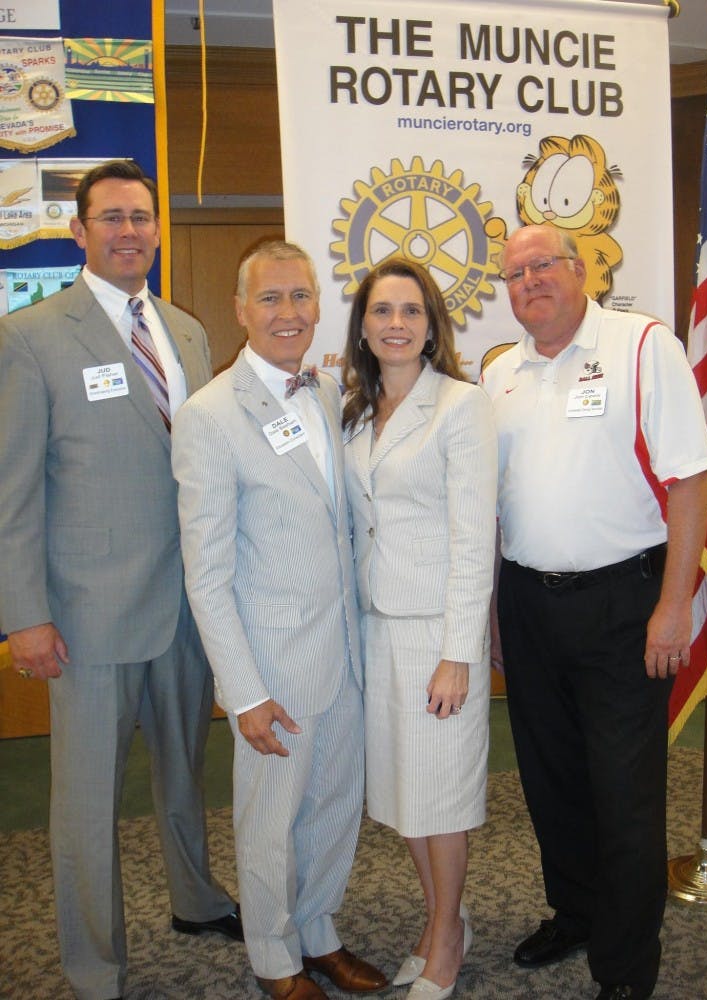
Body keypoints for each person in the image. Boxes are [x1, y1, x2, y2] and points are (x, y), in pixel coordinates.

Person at [0, 159, 241, 1000]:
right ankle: (94, 963)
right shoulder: (31, 336)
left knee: (187, 772)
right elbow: (12, 490)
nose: (130, 231)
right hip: (89, 615)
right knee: (86, 802)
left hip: (187, 604)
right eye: (112, 218)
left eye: (142, 216)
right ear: (79, 230)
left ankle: (196, 899)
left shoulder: (188, 331)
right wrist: (22, 616)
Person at [481, 223, 707, 1000]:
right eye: (515, 275)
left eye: (543, 266)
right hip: (527, 602)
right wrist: (491, 618)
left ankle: (625, 966)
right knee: (552, 785)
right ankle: (575, 913)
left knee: (625, 798)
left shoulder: (644, 346)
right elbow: (492, 506)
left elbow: (689, 482)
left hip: (626, 605)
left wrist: (674, 604)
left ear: (580, 271)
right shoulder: (499, 374)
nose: (529, 283)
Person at [171, 240, 387, 1000]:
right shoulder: (208, 416)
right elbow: (209, 572)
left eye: (300, 297)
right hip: (272, 667)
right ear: (241, 310)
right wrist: (244, 691)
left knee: (332, 808)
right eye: (270, 299)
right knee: (269, 823)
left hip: (344, 656)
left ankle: (319, 932)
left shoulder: (328, 392)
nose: (288, 313)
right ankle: (272, 956)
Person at [341, 258, 498, 1000]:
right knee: (405, 797)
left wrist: (458, 654)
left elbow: (474, 538)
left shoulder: (460, 407)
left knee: (441, 798)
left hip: (436, 634)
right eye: (381, 311)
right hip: (377, 632)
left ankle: (443, 940)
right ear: (363, 327)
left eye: (410, 311)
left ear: (432, 325)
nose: (395, 324)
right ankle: (447, 913)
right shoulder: (354, 411)